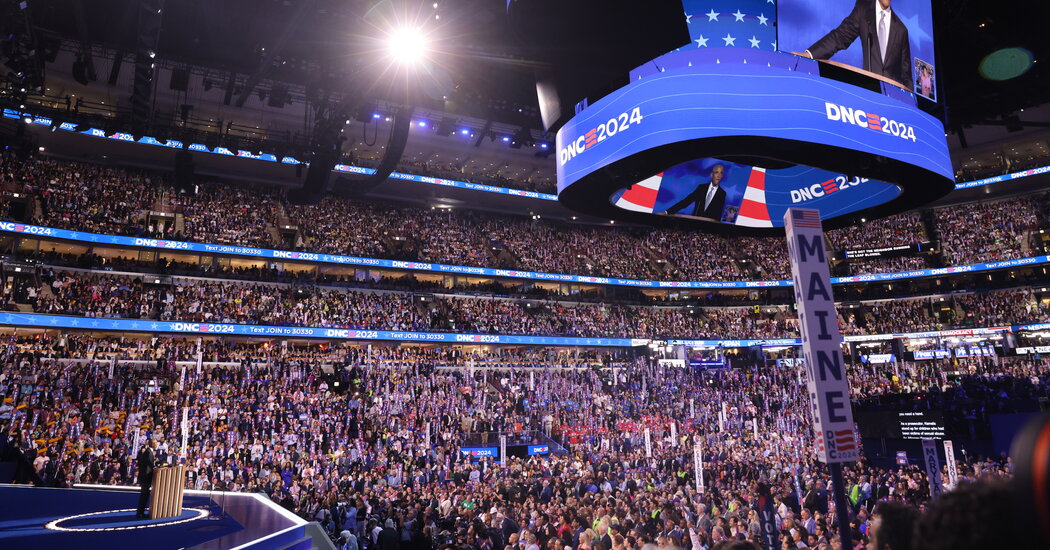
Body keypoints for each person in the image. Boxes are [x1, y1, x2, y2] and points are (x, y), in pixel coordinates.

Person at [801, 0, 913, 90]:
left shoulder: (901, 30)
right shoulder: (863, 9)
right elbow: (840, 37)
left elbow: (906, 77)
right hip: (868, 93)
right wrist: (810, 55)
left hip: (892, 103)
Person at [136, 439, 157, 519]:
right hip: (145, 477)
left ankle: (141, 512)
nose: (157, 444)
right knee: (144, 495)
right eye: (156, 443)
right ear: (153, 444)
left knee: (145, 494)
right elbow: (149, 464)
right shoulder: (148, 452)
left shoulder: (149, 451)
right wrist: (155, 467)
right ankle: (140, 513)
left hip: (146, 477)